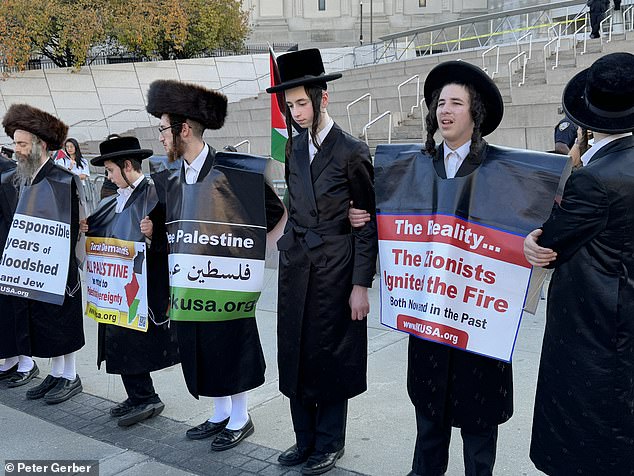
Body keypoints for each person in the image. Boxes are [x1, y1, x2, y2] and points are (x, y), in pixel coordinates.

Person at [351, 61, 513, 476]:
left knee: (479, 426)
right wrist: (360, 216)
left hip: (477, 318)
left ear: (475, 113)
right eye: (440, 102)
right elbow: (384, 219)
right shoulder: (411, 167)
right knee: (429, 411)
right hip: (428, 314)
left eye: (456, 103)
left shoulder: (503, 171)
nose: (445, 110)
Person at [145, 79, 285, 451]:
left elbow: (274, 213)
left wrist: (252, 253)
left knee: (230, 346)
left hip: (227, 283)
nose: (160, 137)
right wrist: (152, 229)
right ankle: (220, 412)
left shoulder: (234, 171)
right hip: (190, 286)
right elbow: (168, 226)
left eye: (163, 129)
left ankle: (240, 417)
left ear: (184, 130)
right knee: (202, 347)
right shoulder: (171, 177)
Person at [265, 48, 378, 475]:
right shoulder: (292, 149)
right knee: (294, 351)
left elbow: (367, 222)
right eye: (289, 104)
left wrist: (360, 284)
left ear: (322, 98)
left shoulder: (352, 150)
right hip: (297, 267)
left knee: (331, 356)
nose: (296, 111)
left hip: (336, 268)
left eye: (301, 102)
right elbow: (293, 206)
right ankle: (304, 440)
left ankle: (330, 442)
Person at [523, 52, 634, 476]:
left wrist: (535, 240)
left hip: (595, 326)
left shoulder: (593, 177)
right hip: (622, 320)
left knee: (589, 435)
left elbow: (552, 240)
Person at [82, 136, 180, 426]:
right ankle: (136, 394)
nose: (109, 177)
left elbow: (175, 235)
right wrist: (90, 227)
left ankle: (147, 396)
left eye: (111, 170)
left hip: (141, 286)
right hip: (116, 286)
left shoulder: (155, 194)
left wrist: (154, 234)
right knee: (119, 339)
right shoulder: (116, 198)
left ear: (127, 166)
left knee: (134, 342)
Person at [1, 104, 84, 403]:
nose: (17, 150)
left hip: (58, 266)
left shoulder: (61, 178)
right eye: (15, 143)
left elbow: (72, 226)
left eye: (22, 144)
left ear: (41, 145)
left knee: (61, 321)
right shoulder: (25, 177)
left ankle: (71, 376)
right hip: (36, 266)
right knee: (46, 322)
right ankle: (56, 373)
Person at [0, 152, 36, 385]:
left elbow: (14, 215)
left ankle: (26, 361)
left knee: (13, 306)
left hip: (7, 249)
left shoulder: (8, 170)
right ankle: (11, 359)